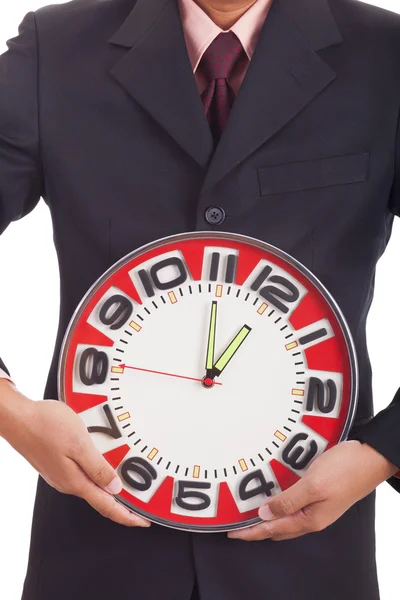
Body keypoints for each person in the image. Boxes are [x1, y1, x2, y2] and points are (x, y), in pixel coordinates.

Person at [0, 0, 400, 598]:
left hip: (307, 560)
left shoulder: (388, 56)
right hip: (98, 552)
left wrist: (382, 451)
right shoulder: (52, 50)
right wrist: (12, 414)